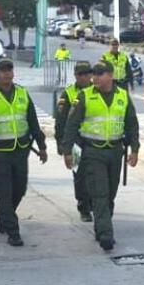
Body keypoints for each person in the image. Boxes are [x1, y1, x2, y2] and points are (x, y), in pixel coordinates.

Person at [61, 62, 140, 251]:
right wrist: (67, 151)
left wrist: (135, 149)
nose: (95, 78)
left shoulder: (122, 96)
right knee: (100, 192)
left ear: (111, 76)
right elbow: (71, 125)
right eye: (94, 74)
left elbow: (132, 124)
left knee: (111, 193)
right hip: (92, 152)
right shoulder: (84, 96)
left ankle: (101, 224)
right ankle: (106, 233)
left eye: (100, 74)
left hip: (115, 151)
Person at [0, 59, 48, 246]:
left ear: (13, 73)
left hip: (21, 151)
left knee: (19, 189)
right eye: (2, 71)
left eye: (9, 70)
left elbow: (33, 122)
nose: (6, 74)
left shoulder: (22, 93)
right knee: (3, 193)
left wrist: (42, 146)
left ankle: (3, 214)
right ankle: (14, 232)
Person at [55, 62, 95, 222]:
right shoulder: (68, 94)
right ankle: (83, 207)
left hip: (94, 141)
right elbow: (61, 120)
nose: (84, 77)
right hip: (76, 142)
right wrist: (62, 143)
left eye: (87, 73)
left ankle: (94, 203)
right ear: (76, 76)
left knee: (95, 175)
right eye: (81, 74)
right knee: (80, 175)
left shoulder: (97, 90)